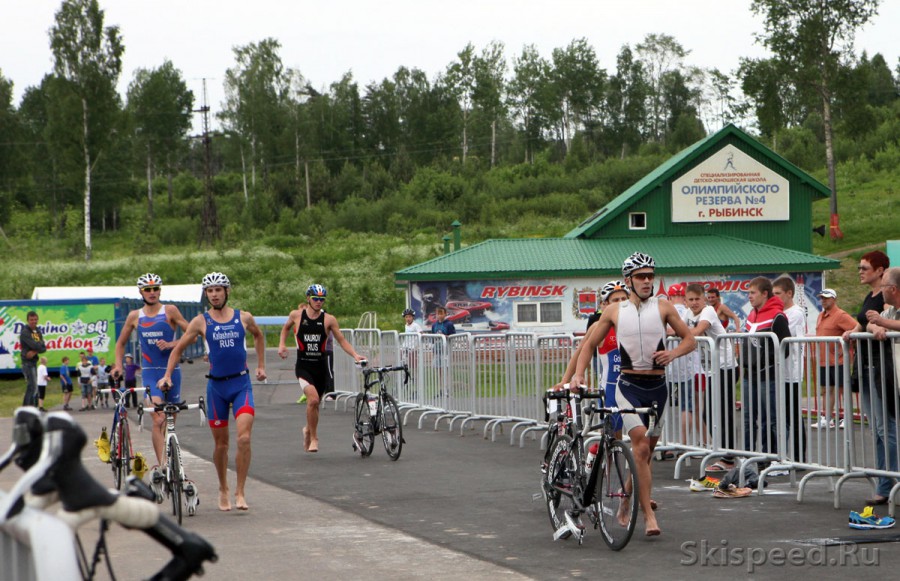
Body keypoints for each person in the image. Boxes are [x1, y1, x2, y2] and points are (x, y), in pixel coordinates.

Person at [572, 252, 696, 536]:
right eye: (641, 276)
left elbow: (690, 340)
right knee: (639, 447)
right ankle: (649, 516)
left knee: (646, 453)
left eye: (650, 276)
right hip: (628, 388)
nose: (647, 281)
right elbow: (589, 344)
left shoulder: (664, 307)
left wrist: (673, 353)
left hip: (657, 388)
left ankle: (627, 498)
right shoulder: (614, 311)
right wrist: (579, 375)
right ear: (629, 280)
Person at [160, 272, 266, 512]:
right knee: (221, 445)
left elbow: (259, 336)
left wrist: (260, 365)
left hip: (241, 385)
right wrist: (167, 375)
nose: (215, 294)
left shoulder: (243, 317)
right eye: (210, 291)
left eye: (219, 290)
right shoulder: (201, 321)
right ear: (206, 294)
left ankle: (240, 490)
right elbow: (177, 350)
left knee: (244, 438)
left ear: (227, 291)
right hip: (216, 387)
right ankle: (223, 488)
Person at [113, 273, 190, 467]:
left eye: (156, 288)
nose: (152, 292)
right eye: (148, 289)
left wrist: (173, 343)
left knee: (170, 422)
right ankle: (164, 466)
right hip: (149, 373)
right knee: (158, 418)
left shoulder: (170, 310)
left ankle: (171, 460)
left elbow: (192, 334)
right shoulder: (135, 316)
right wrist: (117, 365)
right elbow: (121, 343)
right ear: (141, 292)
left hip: (172, 372)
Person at [278, 284, 365, 454]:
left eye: (322, 299)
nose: (319, 302)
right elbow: (286, 328)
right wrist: (282, 344)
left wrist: (355, 354)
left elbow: (341, 340)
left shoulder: (329, 319)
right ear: (308, 298)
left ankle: (308, 429)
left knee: (315, 405)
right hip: (303, 366)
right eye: (315, 299)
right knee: (313, 400)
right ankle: (314, 438)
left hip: (321, 367)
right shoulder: (296, 315)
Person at [842, 250, 894, 505]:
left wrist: (874, 326)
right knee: (876, 429)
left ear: (880, 270)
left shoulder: (885, 297)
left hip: (880, 367)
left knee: (886, 427)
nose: (860, 271)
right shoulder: (869, 296)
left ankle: (888, 482)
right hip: (865, 366)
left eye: (865, 267)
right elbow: (863, 322)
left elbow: (883, 322)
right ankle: (886, 479)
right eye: (860, 267)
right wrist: (852, 332)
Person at [684, 284, 738, 469]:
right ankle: (724, 452)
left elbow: (697, 331)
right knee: (709, 413)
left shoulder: (707, 311)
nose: (694, 303)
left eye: (697, 299)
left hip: (726, 366)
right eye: (690, 299)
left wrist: (678, 333)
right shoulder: (687, 314)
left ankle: (729, 456)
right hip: (711, 369)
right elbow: (677, 328)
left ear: (704, 299)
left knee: (722, 413)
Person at [742, 277, 791, 455]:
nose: (749, 296)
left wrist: (764, 363)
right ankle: (748, 456)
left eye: (752, 293)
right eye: (748, 293)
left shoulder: (777, 316)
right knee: (748, 419)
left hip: (768, 377)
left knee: (772, 420)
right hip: (750, 376)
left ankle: (778, 458)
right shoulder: (752, 314)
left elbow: (785, 347)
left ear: (764, 294)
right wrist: (745, 362)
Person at [864, 266, 900, 505]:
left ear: (894, 289)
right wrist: (876, 326)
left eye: (884, 287)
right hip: (893, 379)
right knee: (884, 428)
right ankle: (887, 482)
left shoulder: (891, 314)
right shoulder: (892, 312)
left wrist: (882, 323)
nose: (882, 292)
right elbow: (869, 326)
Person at [772, 276, 806, 461]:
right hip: (778, 371)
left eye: (778, 293)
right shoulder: (778, 312)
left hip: (791, 372)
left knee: (793, 416)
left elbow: (781, 336)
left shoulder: (796, 313)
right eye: (773, 294)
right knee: (780, 415)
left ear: (789, 293)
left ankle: (799, 457)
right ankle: (781, 454)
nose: (775, 297)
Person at [814, 288, 857, 429]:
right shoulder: (821, 315)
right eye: (822, 298)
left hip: (838, 360)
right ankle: (827, 418)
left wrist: (847, 345)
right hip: (823, 360)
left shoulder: (840, 315)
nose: (823, 300)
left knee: (843, 389)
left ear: (834, 299)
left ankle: (847, 417)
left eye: (826, 297)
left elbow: (856, 328)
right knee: (827, 390)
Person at [18, 310, 46, 407]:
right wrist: (38, 346)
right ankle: (26, 408)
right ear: (27, 320)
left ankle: (30, 407)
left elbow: (43, 347)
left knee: (33, 387)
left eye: (35, 319)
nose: (34, 321)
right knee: (32, 386)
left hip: (33, 361)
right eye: (31, 320)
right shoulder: (25, 333)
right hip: (27, 363)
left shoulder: (37, 331)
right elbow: (35, 344)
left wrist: (34, 351)